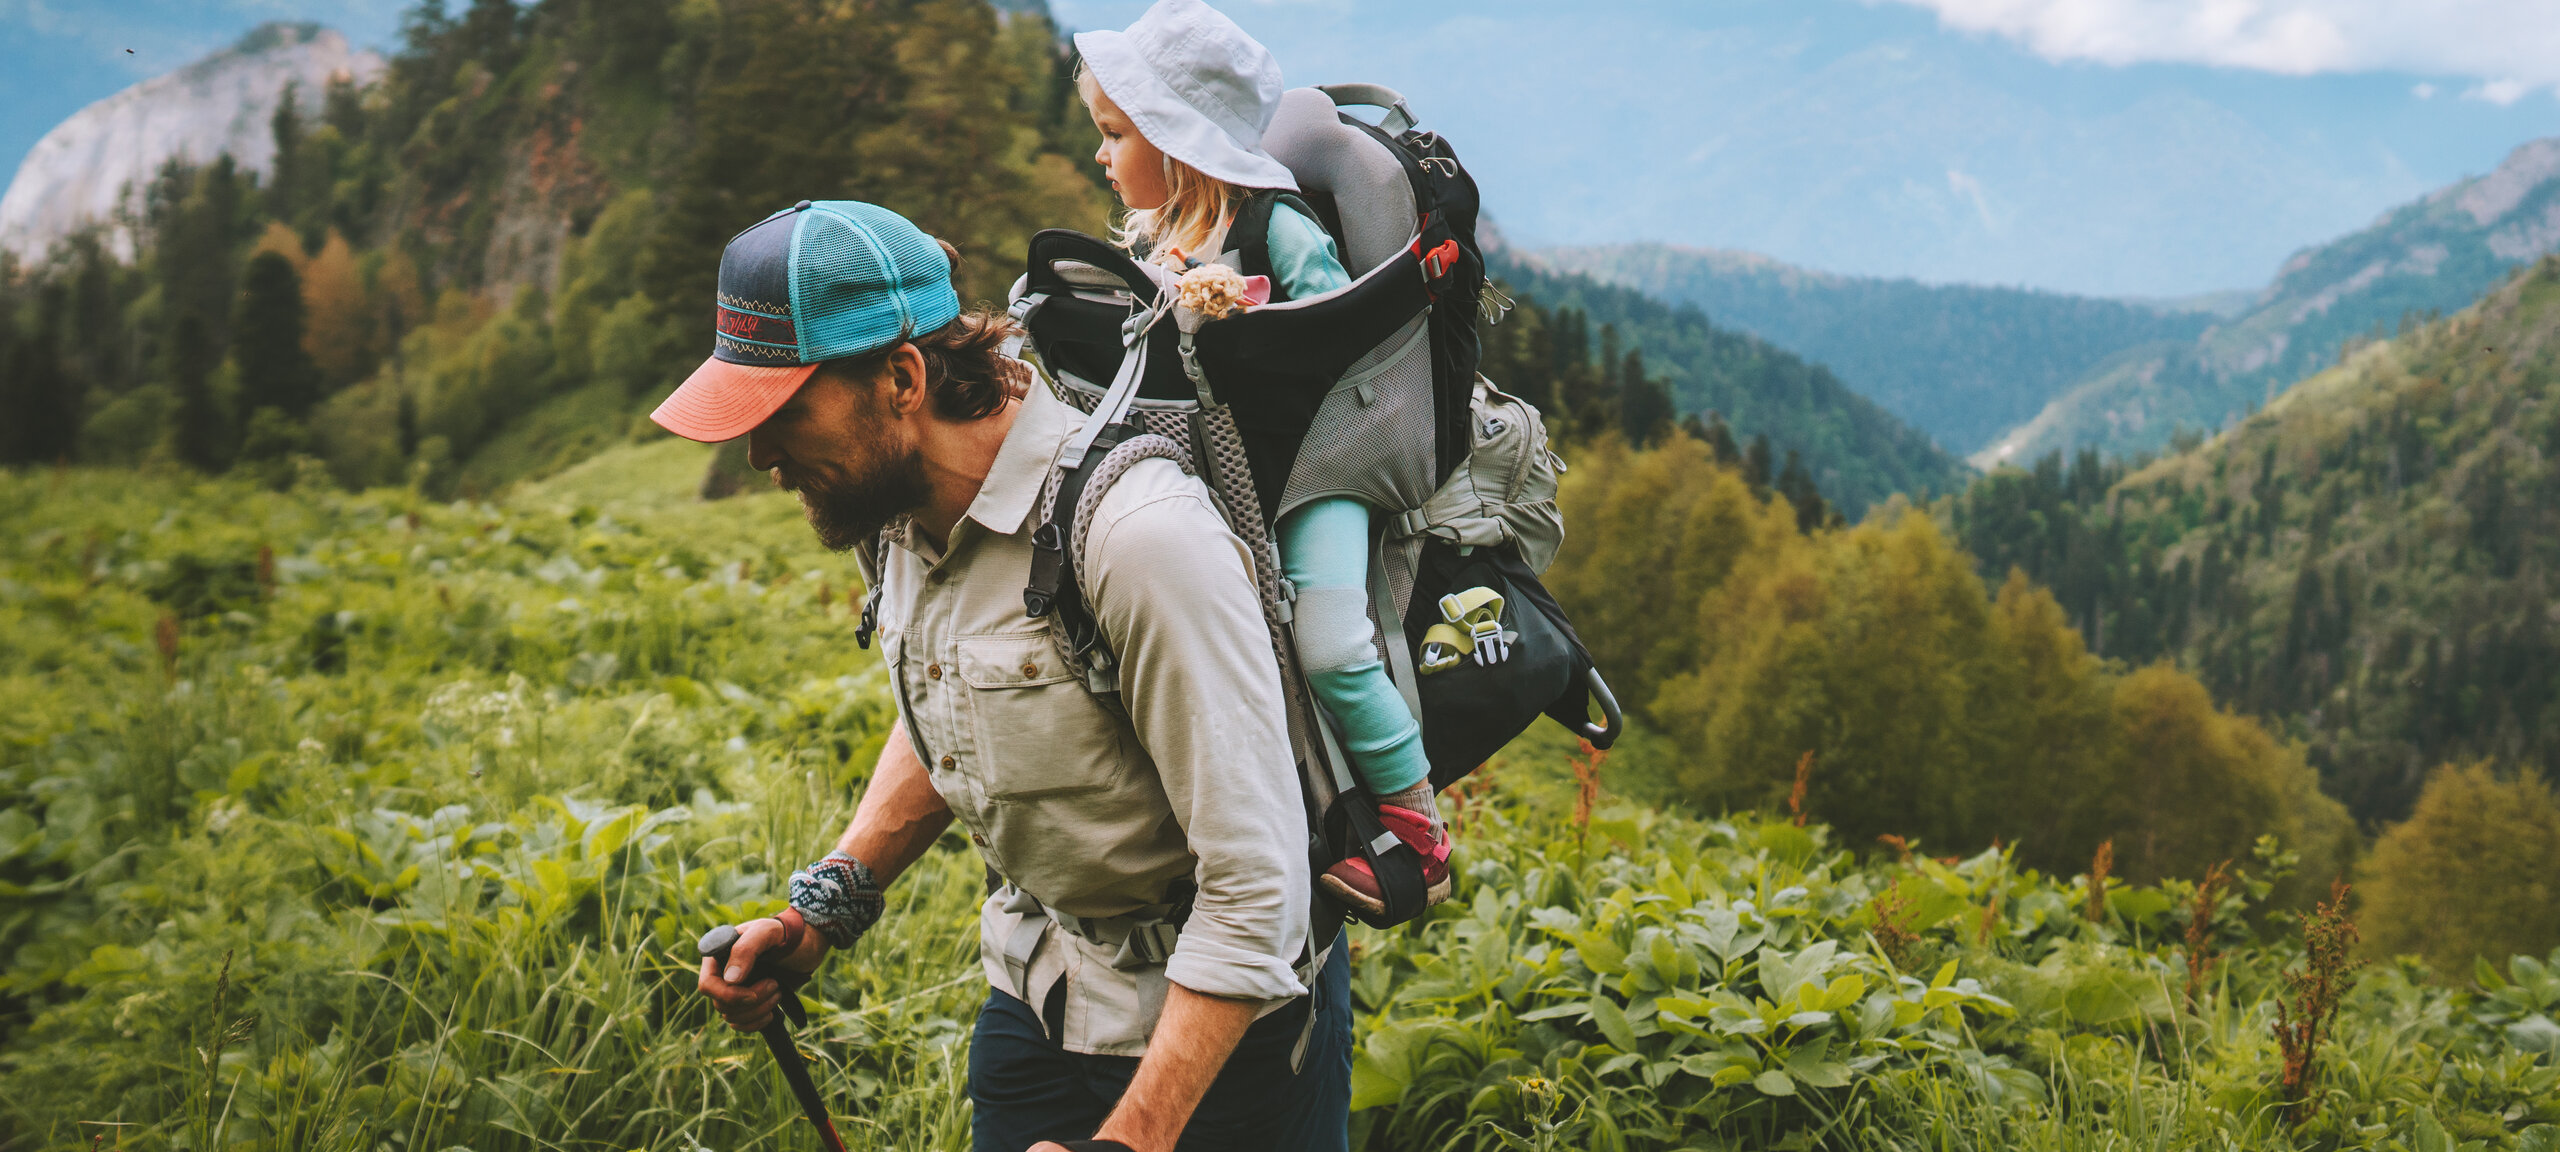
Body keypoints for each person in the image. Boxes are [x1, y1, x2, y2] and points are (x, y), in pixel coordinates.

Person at [666, 198, 1349, 1152]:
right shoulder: (901, 510)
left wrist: (1130, 1143)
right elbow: (963, 694)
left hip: (1224, 1045)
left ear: (902, 378)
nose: (760, 456)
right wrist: (828, 904)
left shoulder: (1137, 537)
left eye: (784, 410)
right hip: (1035, 997)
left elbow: (1258, 889)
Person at [1075, 0, 1450, 919]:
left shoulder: (1275, 229)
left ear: (1178, 141)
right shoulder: (1162, 242)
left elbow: (1342, 333)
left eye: (1115, 135)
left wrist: (1248, 316)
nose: (1100, 155)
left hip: (1321, 460)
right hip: (1231, 463)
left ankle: (1421, 829)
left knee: (1326, 646)